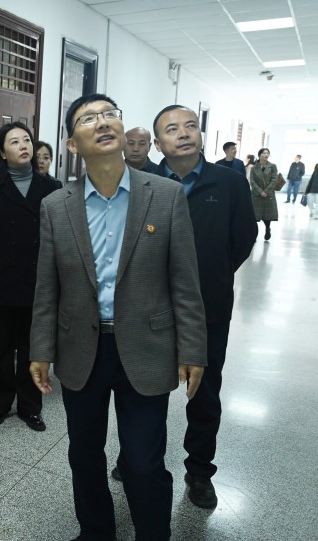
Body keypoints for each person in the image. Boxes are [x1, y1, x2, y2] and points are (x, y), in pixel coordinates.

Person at [29, 93, 207, 541]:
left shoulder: (165, 195)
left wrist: (193, 350)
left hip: (147, 345)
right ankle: (96, 532)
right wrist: (40, 350)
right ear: (73, 144)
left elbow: (185, 283)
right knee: (84, 454)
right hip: (80, 347)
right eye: (89, 118)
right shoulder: (56, 206)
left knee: (144, 461)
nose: (103, 122)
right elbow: (47, 288)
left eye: (110, 114)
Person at [132, 105, 255, 510]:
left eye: (190, 126)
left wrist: (211, 275)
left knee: (204, 393)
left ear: (201, 135)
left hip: (208, 307)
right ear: (158, 143)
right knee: (144, 390)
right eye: (172, 129)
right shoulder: (141, 183)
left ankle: (199, 472)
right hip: (150, 308)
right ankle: (137, 460)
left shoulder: (230, 182)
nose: (183, 133)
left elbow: (243, 238)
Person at [0, 122, 61, 431]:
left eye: (26, 140)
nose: (23, 145)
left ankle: (31, 407)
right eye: (14, 141)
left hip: (41, 280)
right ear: (2, 153)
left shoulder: (52, 188)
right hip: (4, 280)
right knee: (2, 346)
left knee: (32, 348)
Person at [249, 148, 279, 240]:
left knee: (267, 216)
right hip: (256, 195)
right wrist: (260, 192)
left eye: (267, 153)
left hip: (268, 195)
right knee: (254, 217)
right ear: (259, 155)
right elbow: (252, 180)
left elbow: (274, 179)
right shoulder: (254, 167)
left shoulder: (272, 166)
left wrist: (266, 191)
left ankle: (267, 229)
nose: (266, 155)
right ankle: (253, 235)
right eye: (264, 153)